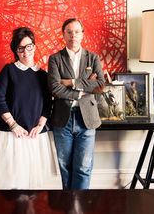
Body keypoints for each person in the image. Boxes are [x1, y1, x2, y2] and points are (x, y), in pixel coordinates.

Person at [0, 27, 61, 189]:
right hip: (12, 135)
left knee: (32, 187)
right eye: (20, 48)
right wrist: (13, 125)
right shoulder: (8, 70)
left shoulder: (43, 75)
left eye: (28, 46)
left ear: (34, 46)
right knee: (14, 185)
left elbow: (48, 103)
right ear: (16, 50)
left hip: (35, 135)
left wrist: (40, 125)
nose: (25, 52)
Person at [48, 18, 105, 189]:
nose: (73, 35)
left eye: (77, 31)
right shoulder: (55, 59)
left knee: (83, 168)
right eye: (69, 32)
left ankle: (80, 208)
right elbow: (54, 89)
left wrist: (71, 82)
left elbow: (100, 84)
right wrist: (83, 90)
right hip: (62, 119)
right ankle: (69, 206)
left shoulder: (93, 58)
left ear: (82, 34)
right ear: (63, 35)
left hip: (86, 118)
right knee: (66, 167)